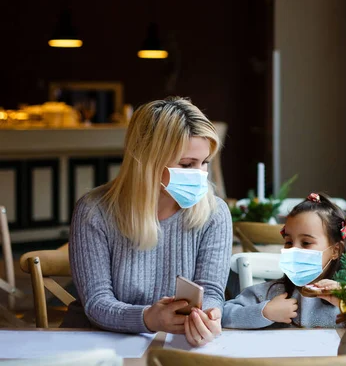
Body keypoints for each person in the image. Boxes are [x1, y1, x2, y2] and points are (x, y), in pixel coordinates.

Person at [63, 96, 232, 347]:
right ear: (146, 160)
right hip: (96, 345)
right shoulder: (94, 211)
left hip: (174, 345)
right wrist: (147, 318)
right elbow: (97, 303)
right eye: (187, 164)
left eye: (205, 162)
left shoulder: (215, 213)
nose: (200, 176)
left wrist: (207, 317)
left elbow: (211, 292)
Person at [222, 193, 346, 329]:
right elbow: (223, 314)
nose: (293, 249)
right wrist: (265, 312)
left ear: (335, 250)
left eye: (306, 243)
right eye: (288, 242)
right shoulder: (275, 292)